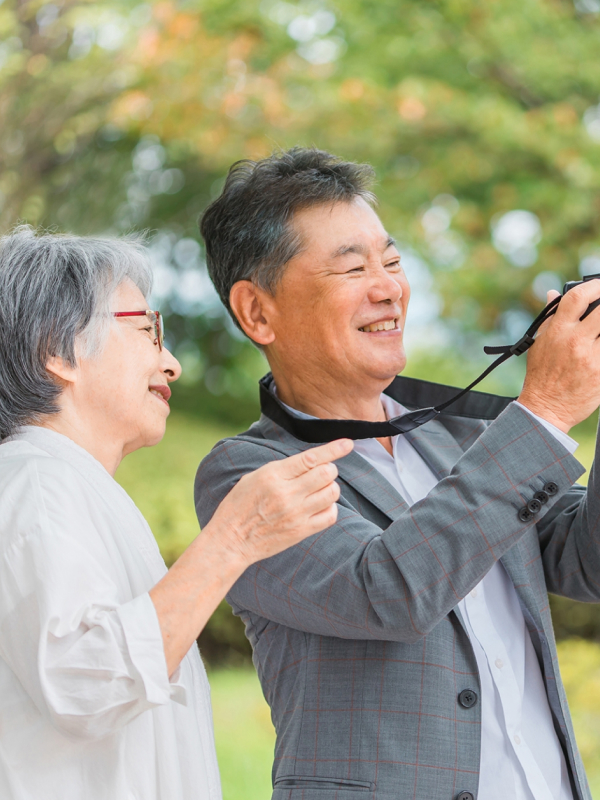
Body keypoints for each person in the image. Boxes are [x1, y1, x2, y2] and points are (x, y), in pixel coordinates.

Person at [195, 147, 600, 800]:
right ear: (257, 312)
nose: (389, 288)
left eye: (391, 260)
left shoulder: (466, 436)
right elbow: (388, 590)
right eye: (352, 268)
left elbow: (591, 562)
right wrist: (547, 410)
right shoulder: (247, 477)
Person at [0, 226, 352, 800]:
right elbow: (83, 680)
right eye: (147, 330)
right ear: (56, 351)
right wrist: (233, 539)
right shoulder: (35, 480)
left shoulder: (66, 485)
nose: (172, 363)